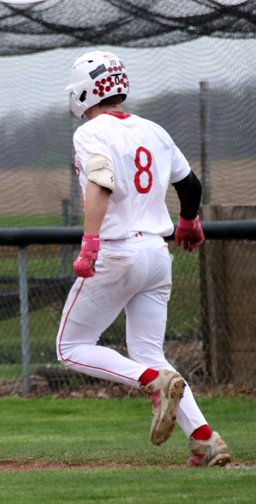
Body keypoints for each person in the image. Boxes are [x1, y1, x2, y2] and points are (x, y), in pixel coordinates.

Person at [57, 51, 231, 467]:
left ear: (85, 90)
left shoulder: (90, 133)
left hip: (118, 251)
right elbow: (190, 185)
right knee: (150, 352)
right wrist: (188, 222)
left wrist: (90, 243)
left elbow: (100, 183)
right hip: (156, 253)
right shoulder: (153, 129)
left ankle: (152, 382)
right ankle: (207, 441)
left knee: (71, 346)